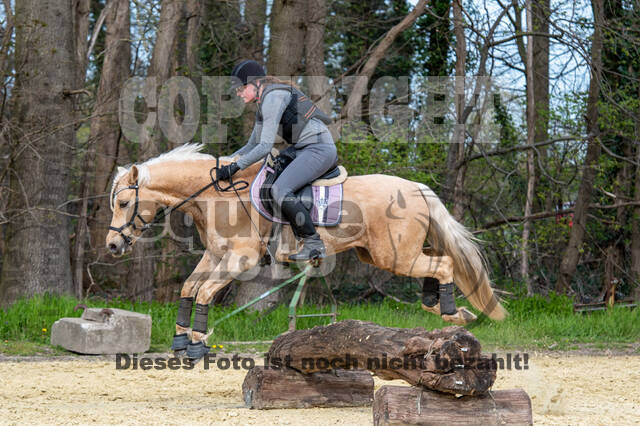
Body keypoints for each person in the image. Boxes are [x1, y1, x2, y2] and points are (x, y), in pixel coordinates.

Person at [217, 60, 337, 261]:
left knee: (280, 190)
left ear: (255, 84)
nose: (238, 93)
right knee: (266, 182)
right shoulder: (264, 102)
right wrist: (224, 162)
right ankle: (269, 244)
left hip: (318, 149)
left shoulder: (273, 98)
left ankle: (313, 243)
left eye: (241, 88)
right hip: (302, 149)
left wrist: (235, 167)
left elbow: (264, 148)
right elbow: (251, 146)